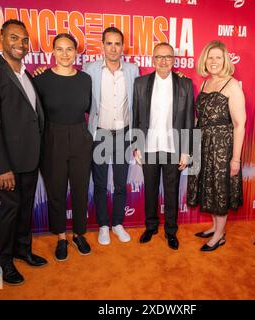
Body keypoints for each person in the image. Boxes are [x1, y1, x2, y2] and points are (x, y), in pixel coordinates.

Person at [0, 19, 47, 286]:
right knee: (11, 209)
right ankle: (4, 261)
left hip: (30, 157)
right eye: (14, 38)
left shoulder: (26, 74)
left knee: (25, 207)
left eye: (25, 40)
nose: (20, 44)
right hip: (7, 162)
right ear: (1, 39)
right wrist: (1, 167)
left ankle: (23, 250)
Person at [33, 33, 93, 261]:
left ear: (76, 52)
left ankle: (79, 234)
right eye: (60, 49)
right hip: (52, 138)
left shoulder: (85, 79)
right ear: (53, 52)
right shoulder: (40, 79)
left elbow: (89, 109)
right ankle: (61, 237)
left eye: (69, 49)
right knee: (56, 191)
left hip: (80, 137)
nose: (65, 54)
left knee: (80, 189)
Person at [133, 42, 194, 250]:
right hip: (148, 147)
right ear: (152, 59)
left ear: (173, 60)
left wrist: (186, 151)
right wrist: (136, 145)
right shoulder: (140, 83)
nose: (163, 61)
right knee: (150, 190)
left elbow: (188, 119)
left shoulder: (185, 85)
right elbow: (136, 116)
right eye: (159, 57)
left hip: (173, 148)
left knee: (171, 191)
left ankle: (170, 230)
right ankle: (150, 227)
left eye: (168, 57)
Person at [187, 40, 246, 252]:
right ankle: (214, 226)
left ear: (225, 60)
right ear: (205, 60)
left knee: (220, 188)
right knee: (207, 187)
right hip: (202, 144)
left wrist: (235, 159)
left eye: (218, 58)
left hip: (222, 147)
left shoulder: (232, 85)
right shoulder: (204, 83)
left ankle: (220, 235)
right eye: (210, 57)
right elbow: (199, 119)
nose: (213, 61)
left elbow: (239, 124)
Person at [83, 27, 139, 245]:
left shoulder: (133, 70)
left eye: (117, 44)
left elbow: (139, 100)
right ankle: (103, 226)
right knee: (99, 184)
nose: (113, 48)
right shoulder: (90, 69)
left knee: (120, 183)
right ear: (102, 45)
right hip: (100, 134)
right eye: (109, 43)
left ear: (122, 47)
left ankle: (117, 223)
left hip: (124, 134)